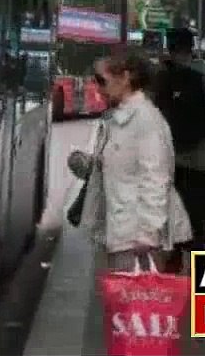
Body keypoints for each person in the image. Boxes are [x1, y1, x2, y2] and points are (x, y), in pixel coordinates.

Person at [68, 52, 192, 271]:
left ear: (125, 78)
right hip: (121, 232)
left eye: (101, 80)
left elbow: (156, 178)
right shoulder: (118, 118)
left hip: (136, 240)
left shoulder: (145, 120)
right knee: (122, 302)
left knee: (135, 302)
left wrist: (147, 233)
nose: (98, 88)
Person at [156, 28, 205, 255]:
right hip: (201, 160)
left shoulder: (161, 75)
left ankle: (173, 265)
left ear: (170, 48)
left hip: (169, 161)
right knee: (199, 215)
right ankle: (200, 266)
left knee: (171, 213)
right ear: (192, 47)